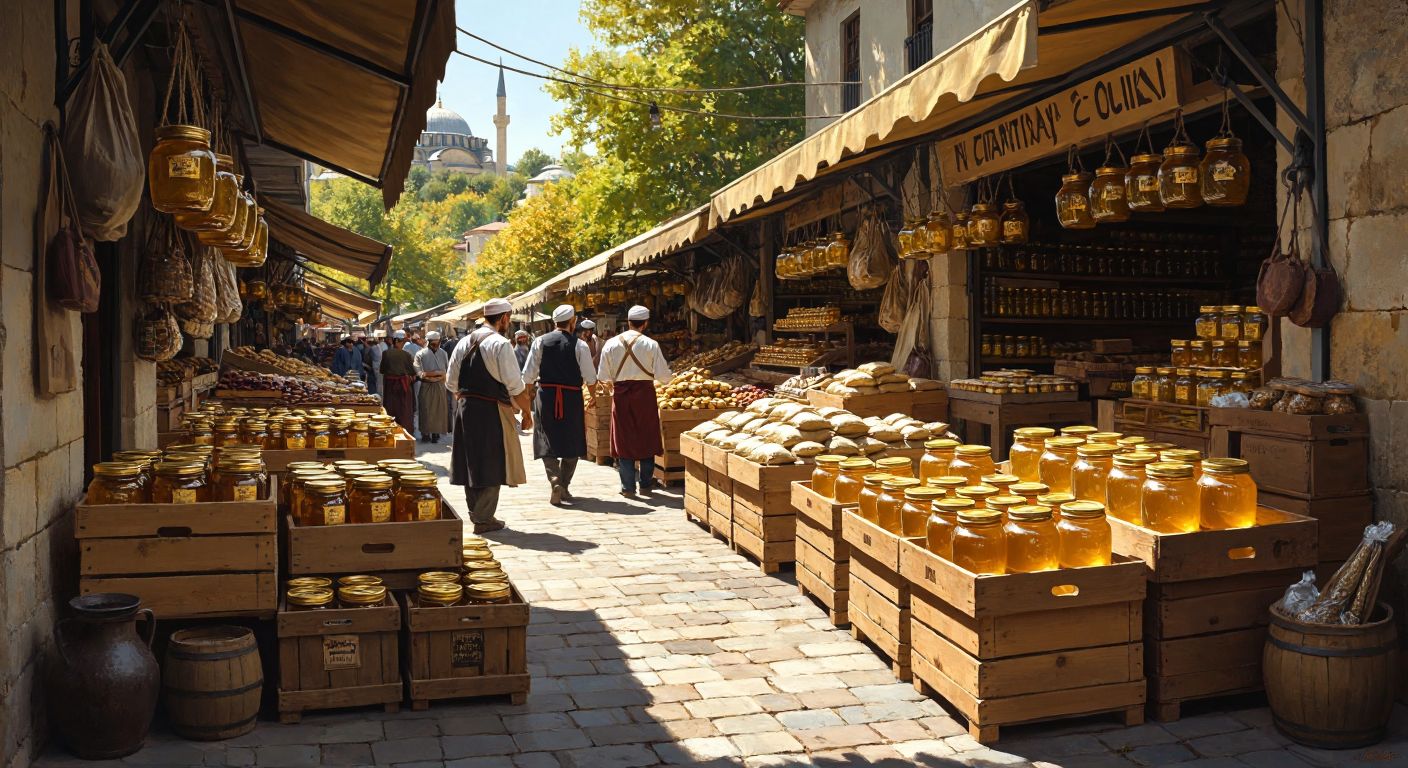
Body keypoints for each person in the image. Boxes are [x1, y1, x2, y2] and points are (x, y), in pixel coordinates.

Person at [447, 298, 532, 533]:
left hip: (465, 410)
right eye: (509, 318)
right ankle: (483, 519)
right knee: (493, 461)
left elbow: (451, 382)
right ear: (504, 318)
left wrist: (466, 399)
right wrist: (526, 411)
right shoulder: (500, 344)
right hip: (491, 411)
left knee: (470, 461)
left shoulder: (463, 342)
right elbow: (516, 386)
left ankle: (477, 513)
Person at [523, 305, 597, 506]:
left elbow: (529, 375)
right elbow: (590, 377)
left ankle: (555, 479)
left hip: (545, 396)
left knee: (546, 440)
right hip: (571, 397)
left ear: (555, 322)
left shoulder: (540, 341)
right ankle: (564, 484)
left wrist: (528, 397)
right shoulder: (579, 345)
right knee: (572, 441)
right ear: (572, 322)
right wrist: (594, 396)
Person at [597, 305, 672, 498]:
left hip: (621, 396)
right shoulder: (651, 344)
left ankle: (628, 487)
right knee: (647, 438)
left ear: (628, 322)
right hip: (645, 395)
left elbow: (603, 376)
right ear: (645, 323)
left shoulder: (610, 344)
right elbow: (664, 377)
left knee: (624, 440)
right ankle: (646, 485)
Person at [413, 331, 452, 443]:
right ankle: (425, 433)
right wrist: (435, 374)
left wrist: (433, 375)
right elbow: (420, 373)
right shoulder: (420, 354)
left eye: (438, 344)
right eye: (433, 344)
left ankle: (436, 433)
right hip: (426, 386)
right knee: (425, 410)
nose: (436, 347)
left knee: (439, 411)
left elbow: (446, 371)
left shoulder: (443, 353)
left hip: (440, 385)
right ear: (428, 342)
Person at [380, 330, 417, 433]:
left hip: (390, 387)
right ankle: (405, 431)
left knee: (391, 409)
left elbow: (382, 370)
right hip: (404, 387)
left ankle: (391, 429)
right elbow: (412, 372)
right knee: (404, 410)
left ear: (393, 341)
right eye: (403, 342)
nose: (403, 344)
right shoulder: (407, 355)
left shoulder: (386, 353)